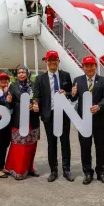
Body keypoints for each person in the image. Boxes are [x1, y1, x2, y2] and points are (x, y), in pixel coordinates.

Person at [33, 50, 74, 182]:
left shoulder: (66, 76)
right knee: (52, 143)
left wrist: (67, 93)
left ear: (58, 61)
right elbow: (37, 95)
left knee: (65, 142)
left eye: (54, 59)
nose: (52, 62)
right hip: (49, 115)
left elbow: (71, 94)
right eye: (49, 60)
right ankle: (54, 170)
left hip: (63, 114)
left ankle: (67, 170)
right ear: (46, 62)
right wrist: (35, 104)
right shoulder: (40, 78)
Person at [70, 56, 104, 185]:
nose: (89, 68)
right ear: (83, 68)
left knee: (101, 147)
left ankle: (101, 172)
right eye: (86, 66)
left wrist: (99, 106)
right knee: (85, 147)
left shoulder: (103, 81)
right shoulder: (78, 81)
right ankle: (88, 173)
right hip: (83, 121)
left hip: (98, 120)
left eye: (91, 65)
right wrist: (72, 93)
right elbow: (73, 99)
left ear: (95, 66)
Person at [5, 66, 41, 180]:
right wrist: (8, 101)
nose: (21, 74)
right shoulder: (13, 86)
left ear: (28, 73)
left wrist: (36, 104)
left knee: (31, 146)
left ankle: (30, 168)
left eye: (23, 72)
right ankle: (18, 170)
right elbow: (9, 105)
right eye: (19, 72)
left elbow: (38, 98)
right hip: (19, 120)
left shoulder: (34, 85)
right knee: (19, 146)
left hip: (32, 120)